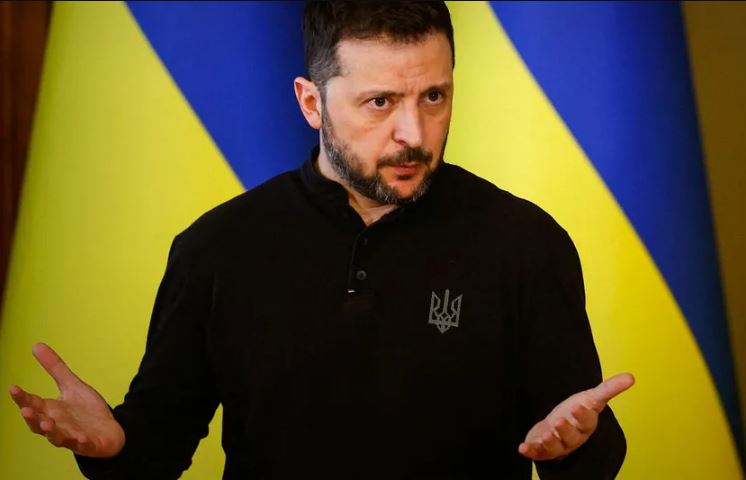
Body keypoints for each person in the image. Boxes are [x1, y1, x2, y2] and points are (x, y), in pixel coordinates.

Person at [9, 2, 634, 478]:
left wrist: (577, 447)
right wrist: (113, 447)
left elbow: (579, 445)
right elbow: (155, 449)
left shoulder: (525, 243)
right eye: (380, 102)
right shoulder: (219, 247)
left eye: (434, 96)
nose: (414, 133)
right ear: (311, 103)